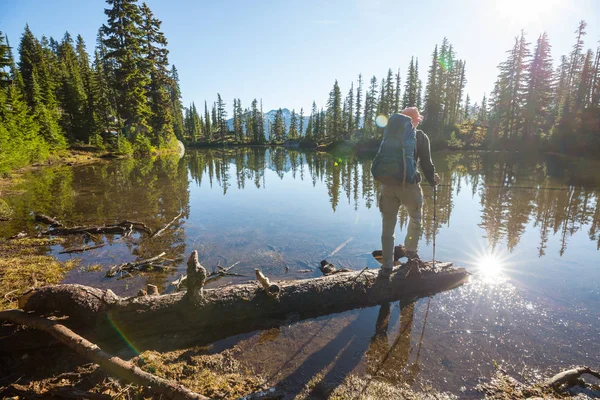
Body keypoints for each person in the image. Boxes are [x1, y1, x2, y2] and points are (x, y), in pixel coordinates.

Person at [375, 107, 439, 274]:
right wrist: (433, 180)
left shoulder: (390, 134)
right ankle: (411, 256)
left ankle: (387, 266)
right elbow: (426, 164)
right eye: (418, 119)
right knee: (415, 219)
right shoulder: (420, 137)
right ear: (415, 120)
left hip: (387, 186)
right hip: (409, 187)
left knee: (388, 225)